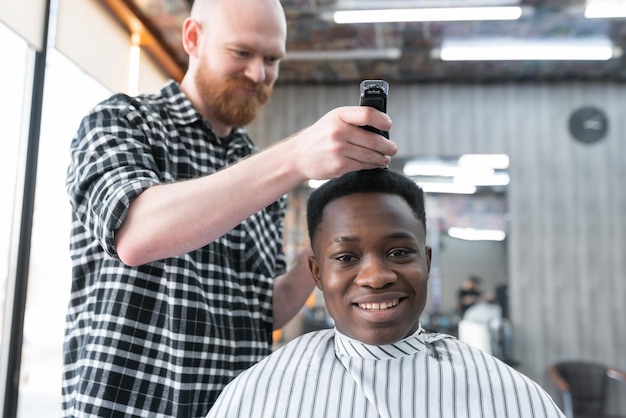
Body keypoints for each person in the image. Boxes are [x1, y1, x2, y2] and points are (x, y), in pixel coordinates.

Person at [63, 0, 397, 416]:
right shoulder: (122, 122)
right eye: (242, 53)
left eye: (271, 59)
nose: (258, 74)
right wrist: (293, 158)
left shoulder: (259, 172)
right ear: (193, 38)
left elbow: (261, 310)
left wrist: (319, 254)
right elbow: (136, 234)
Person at [206, 168, 565, 418]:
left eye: (398, 252)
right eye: (346, 257)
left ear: (426, 261)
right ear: (317, 272)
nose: (376, 277)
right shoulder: (260, 392)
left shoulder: (505, 394)